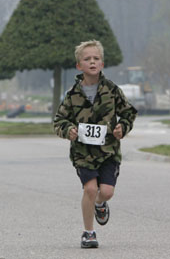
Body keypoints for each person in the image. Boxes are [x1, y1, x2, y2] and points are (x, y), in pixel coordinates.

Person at [54, 40, 137, 248]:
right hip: (83, 152)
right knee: (90, 189)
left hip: (109, 151)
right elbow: (59, 120)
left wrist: (122, 128)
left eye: (96, 58)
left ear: (102, 64)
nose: (92, 62)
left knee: (106, 192)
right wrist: (68, 130)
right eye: (87, 59)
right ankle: (88, 232)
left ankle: (100, 203)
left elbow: (128, 113)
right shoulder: (72, 95)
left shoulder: (112, 90)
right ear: (78, 66)